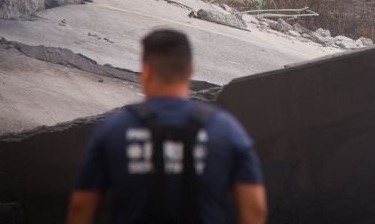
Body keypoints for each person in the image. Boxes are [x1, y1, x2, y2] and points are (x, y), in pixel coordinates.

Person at [66, 29, 267, 224]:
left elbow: (81, 208)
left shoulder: (114, 129)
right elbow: (255, 208)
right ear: (189, 71)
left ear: (146, 73)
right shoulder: (226, 130)